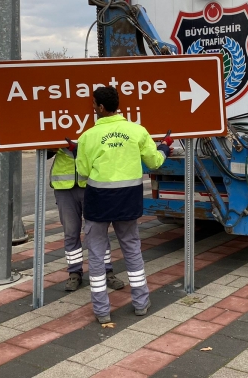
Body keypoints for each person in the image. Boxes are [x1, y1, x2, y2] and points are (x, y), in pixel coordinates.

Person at [76, 86, 172, 323]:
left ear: (99, 107)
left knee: (97, 254)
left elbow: (82, 171)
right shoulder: (137, 131)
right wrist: (165, 146)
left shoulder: (87, 137)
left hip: (98, 202)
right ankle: (141, 302)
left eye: (93, 105)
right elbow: (155, 161)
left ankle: (101, 310)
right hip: (128, 200)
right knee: (131, 249)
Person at [48, 142, 124, 292]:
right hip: (64, 187)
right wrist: (50, 148)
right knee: (70, 233)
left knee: (98, 232)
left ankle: (107, 272)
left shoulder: (93, 125)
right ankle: (74, 273)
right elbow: (43, 152)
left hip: (91, 185)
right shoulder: (58, 123)